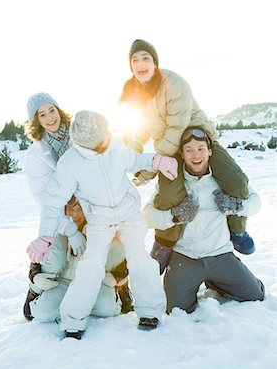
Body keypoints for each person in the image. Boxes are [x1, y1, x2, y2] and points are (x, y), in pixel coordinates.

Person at [27, 110, 177, 339]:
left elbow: (133, 159)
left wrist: (156, 160)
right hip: (99, 220)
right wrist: (45, 236)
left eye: (107, 134)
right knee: (91, 265)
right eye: (102, 140)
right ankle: (73, 321)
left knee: (139, 258)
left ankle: (150, 311)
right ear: (89, 145)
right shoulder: (71, 163)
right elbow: (53, 201)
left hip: (128, 214)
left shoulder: (114, 143)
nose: (107, 140)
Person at [120, 39, 255, 266]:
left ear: (155, 63)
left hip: (196, 137)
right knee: (168, 196)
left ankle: (236, 230)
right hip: (168, 146)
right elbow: (138, 130)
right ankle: (164, 243)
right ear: (130, 66)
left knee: (236, 181)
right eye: (135, 59)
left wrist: (153, 167)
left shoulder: (173, 83)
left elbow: (177, 126)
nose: (140, 63)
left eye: (146, 58)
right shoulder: (132, 93)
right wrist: (133, 155)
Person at [23, 93, 133, 322]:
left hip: (92, 206)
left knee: (111, 243)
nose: (49, 117)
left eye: (51, 110)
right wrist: (70, 229)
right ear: (36, 121)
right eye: (42, 114)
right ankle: (37, 287)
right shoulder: (36, 154)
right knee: (55, 250)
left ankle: (119, 286)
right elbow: (44, 198)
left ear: (59, 110)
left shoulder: (79, 135)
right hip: (63, 214)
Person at [142, 126, 265, 313]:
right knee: (176, 309)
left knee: (255, 294)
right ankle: (197, 280)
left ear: (209, 151)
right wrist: (175, 216)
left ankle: (216, 280)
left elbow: (256, 203)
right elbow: (147, 217)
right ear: (182, 154)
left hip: (220, 254)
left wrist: (236, 206)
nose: (195, 155)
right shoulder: (174, 183)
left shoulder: (223, 181)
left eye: (200, 149)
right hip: (185, 257)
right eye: (189, 150)